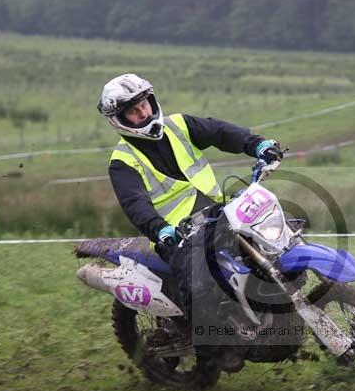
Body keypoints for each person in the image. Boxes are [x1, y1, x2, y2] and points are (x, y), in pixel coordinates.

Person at [97, 73, 283, 334]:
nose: (143, 113)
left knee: (274, 237)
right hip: (178, 235)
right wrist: (160, 230)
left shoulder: (178, 125)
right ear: (119, 120)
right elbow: (134, 203)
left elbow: (219, 133)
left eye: (145, 104)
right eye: (133, 111)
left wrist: (256, 144)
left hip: (219, 213)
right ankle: (210, 348)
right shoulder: (123, 161)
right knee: (200, 285)